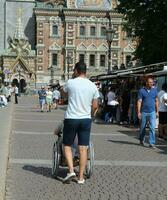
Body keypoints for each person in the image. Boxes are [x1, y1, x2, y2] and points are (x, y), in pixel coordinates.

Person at [62, 61, 99, 184]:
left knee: (67, 145)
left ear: (76, 71)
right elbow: (95, 105)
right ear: (86, 71)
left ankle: (71, 170)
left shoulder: (71, 82)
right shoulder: (93, 86)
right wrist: (90, 114)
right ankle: (81, 177)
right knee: (83, 148)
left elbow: (63, 93)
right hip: (85, 119)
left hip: (71, 118)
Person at [137, 77, 158, 148]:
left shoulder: (155, 90)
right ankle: (141, 139)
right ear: (146, 83)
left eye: (152, 82)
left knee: (152, 127)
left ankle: (151, 143)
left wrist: (157, 111)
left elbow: (156, 100)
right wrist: (139, 112)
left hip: (152, 111)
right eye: (150, 82)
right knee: (143, 127)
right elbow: (139, 101)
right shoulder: (141, 91)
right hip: (144, 112)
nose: (151, 83)